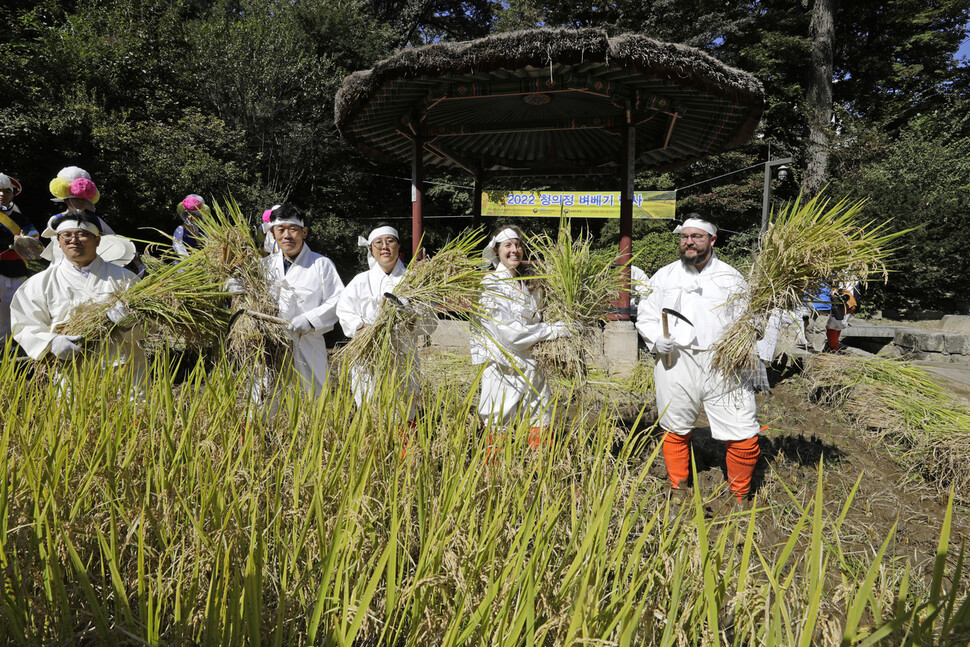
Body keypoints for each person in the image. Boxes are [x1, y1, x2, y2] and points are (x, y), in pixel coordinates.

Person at [636, 215, 761, 505]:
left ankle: (739, 495)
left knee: (743, 428)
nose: (689, 242)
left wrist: (746, 338)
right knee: (675, 425)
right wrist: (657, 339)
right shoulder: (664, 276)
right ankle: (678, 487)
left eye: (697, 237)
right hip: (676, 359)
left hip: (724, 362)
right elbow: (647, 314)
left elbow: (751, 319)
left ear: (712, 240)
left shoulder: (731, 278)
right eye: (684, 237)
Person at [10, 211, 146, 380]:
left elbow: (151, 326)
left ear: (97, 240)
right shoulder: (39, 283)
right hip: (70, 373)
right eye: (66, 235)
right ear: (59, 241)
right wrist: (51, 342)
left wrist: (131, 323)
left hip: (124, 372)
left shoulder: (125, 278)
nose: (73, 240)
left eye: (82, 235)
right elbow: (24, 325)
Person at [470, 225, 570, 449]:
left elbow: (538, 317)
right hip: (502, 366)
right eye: (508, 245)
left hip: (533, 362)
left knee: (540, 415)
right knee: (499, 419)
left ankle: (539, 473)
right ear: (496, 250)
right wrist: (555, 329)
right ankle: (496, 476)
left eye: (518, 245)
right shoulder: (488, 286)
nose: (514, 250)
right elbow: (512, 335)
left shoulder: (530, 284)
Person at [336, 224, 435, 423]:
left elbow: (430, 320)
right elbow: (344, 310)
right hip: (368, 359)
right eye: (378, 243)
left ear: (398, 246)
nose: (385, 247)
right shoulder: (360, 281)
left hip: (403, 356)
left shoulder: (414, 281)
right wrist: (361, 328)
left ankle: (406, 452)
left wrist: (411, 321)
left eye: (390, 241)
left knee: (405, 408)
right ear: (371, 249)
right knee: (370, 404)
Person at [256, 204, 344, 397]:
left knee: (314, 399)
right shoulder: (263, 267)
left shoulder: (321, 265)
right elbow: (249, 303)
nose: (287, 235)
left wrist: (310, 319)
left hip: (308, 342)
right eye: (281, 230)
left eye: (293, 229)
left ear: (304, 232)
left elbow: (338, 300)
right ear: (273, 233)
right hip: (270, 345)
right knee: (264, 399)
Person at [0, 172, 39, 343]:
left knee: (16, 306)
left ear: (12, 194)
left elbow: (36, 243)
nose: (2, 194)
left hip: (17, 267)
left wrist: (24, 241)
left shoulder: (21, 219)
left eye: (7, 191)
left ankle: (13, 341)